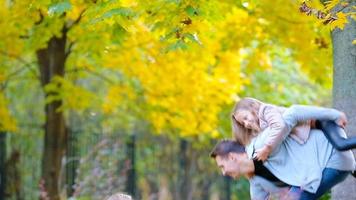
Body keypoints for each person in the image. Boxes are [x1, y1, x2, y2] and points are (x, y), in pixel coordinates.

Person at [231, 97, 356, 161]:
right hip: (313, 131)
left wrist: (266, 148)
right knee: (340, 159)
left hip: (321, 122)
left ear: (253, 107)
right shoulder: (261, 127)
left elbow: (278, 126)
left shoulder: (266, 110)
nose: (246, 124)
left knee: (341, 145)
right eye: (243, 123)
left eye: (246, 118)